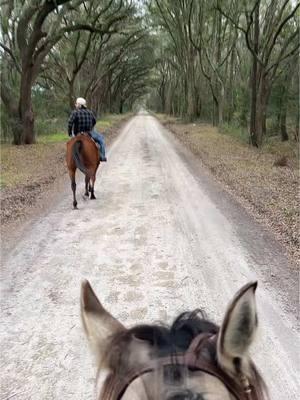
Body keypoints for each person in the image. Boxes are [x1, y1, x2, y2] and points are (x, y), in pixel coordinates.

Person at [68, 97, 107, 162]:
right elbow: (94, 121)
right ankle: (102, 156)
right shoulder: (90, 112)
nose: (76, 105)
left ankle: (70, 159)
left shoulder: (74, 112)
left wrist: (69, 133)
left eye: (76, 104)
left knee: (70, 145)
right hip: (89, 132)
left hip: (77, 133)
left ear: (80, 105)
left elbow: (70, 123)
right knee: (101, 140)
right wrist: (91, 127)